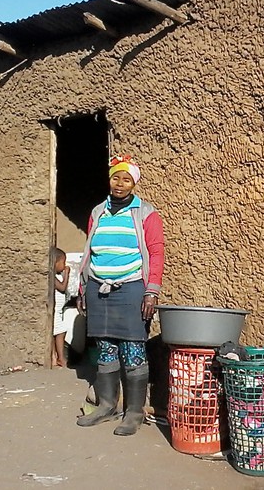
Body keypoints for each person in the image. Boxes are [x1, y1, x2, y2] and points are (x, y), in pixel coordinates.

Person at [76, 154, 164, 436]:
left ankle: (134, 412)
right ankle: (106, 405)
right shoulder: (97, 212)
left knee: (133, 349)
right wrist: (82, 287)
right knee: (104, 348)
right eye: (116, 177)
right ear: (110, 179)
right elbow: (90, 249)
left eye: (126, 179)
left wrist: (151, 291)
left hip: (131, 288)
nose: (120, 183)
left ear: (134, 183)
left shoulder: (146, 213)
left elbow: (156, 252)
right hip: (98, 287)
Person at [52, 247, 70, 368]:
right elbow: (62, 287)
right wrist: (67, 274)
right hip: (55, 311)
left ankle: (55, 357)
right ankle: (61, 358)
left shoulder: (56, 275)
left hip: (58, 310)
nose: (64, 265)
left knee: (57, 332)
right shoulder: (52, 277)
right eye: (63, 262)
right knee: (60, 331)